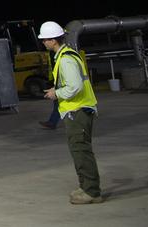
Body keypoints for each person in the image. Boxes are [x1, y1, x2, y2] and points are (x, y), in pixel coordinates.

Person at [39, 21, 102, 204]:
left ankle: (91, 191)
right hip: (77, 110)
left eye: (45, 40)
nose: (43, 43)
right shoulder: (64, 56)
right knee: (79, 150)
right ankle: (87, 187)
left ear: (53, 40)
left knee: (81, 151)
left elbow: (74, 86)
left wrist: (55, 93)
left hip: (78, 111)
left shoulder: (65, 58)